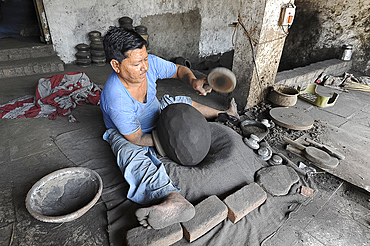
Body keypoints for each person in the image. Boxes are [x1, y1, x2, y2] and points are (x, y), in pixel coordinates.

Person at [100, 26, 239, 229]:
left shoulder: (149, 64)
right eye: (137, 63)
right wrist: (168, 142)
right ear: (116, 65)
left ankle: (226, 115)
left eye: (145, 59)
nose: (145, 67)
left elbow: (178, 70)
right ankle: (172, 198)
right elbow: (136, 138)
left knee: (180, 102)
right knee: (131, 156)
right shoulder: (115, 97)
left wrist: (192, 80)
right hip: (130, 134)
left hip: (156, 112)